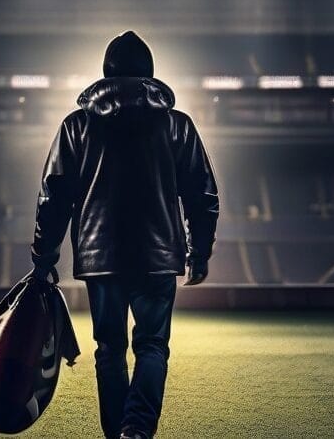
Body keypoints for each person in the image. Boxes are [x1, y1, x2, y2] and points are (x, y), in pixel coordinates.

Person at [30, 31, 219, 439]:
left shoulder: (76, 126)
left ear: (105, 73)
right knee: (152, 347)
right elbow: (203, 193)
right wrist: (198, 253)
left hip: (100, 260)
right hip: (158, 256)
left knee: (109, 351)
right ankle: (137, 428)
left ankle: (118, 431)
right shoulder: (176, 126)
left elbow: (54, 197)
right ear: (151, 74)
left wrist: (44, 259)